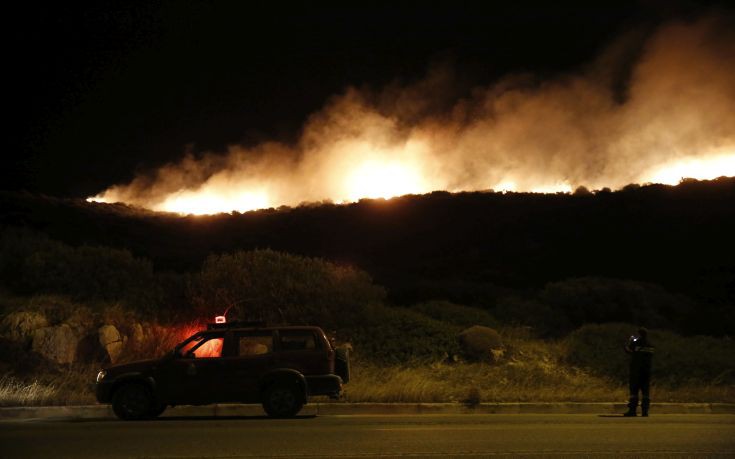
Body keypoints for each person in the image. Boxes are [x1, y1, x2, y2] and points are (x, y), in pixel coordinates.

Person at [623, 327, 655, 417]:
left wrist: (629, 342)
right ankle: (645, 411)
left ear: (639, 334)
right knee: (646, 392)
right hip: (647, 371)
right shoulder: (651, 345)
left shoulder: (636, 343)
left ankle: (632, 411)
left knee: (634, 391)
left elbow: (628, 350)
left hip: (636, 370)